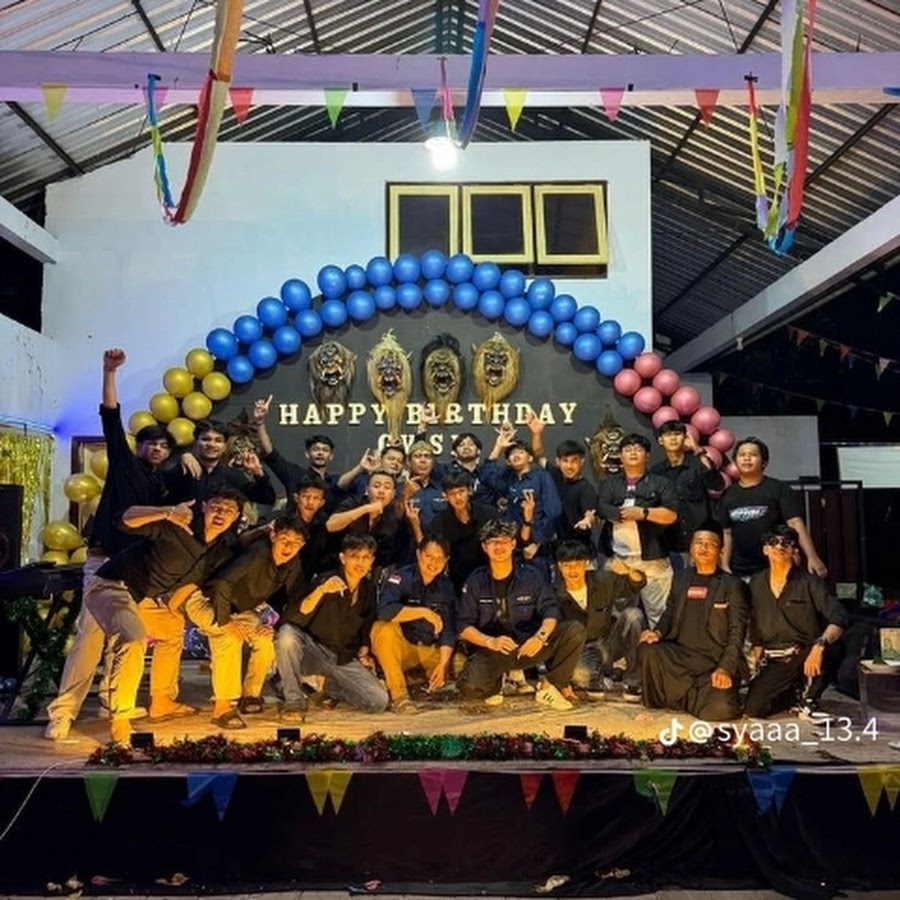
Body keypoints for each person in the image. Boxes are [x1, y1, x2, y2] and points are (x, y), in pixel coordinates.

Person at [45, 348, 173, 740]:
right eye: (151, 443)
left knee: (129, 637)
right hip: (104, 563)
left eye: (164, 446)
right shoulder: (123, 463)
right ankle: (63, 713)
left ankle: (110, 701)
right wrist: (109, 372)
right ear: (139, 446)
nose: (157, 449)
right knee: (90, 638)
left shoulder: (160, 484)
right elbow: (111, 415)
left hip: (135, 572)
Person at [83, 487, 244, 743]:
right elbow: (122, 519)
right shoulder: (177, 525)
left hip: (150, 597)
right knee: (133, 639)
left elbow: (195, 580)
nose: (221, 514)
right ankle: (120, 720)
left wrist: (173, 607)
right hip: (114, 585)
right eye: (216, 507)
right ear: (204, 507)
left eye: (229, 510)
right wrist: (167, 512)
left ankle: (162, 700)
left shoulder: (222, 547)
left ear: (236, 517)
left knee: (172, 631)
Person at [185, 515, 308, 729]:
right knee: (229, 637)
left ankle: (250, 694)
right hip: (207, 602)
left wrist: (273, 627)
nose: (289, 547)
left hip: (241, 611)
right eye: (285, 540)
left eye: (296, 543)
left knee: (265, 641)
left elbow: (294, 598)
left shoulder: (292, 563)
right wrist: (224, 621)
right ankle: (222, 707)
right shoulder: (257, 553)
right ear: (273, 536)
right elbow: (222, 583)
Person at [455, 519, 585, 710]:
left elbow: (550, 610)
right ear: (484, 547)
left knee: (574, 630)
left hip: (529, 645)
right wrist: (490, 642)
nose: (499, 547)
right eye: (493, 542)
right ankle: (498, 682)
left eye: (504, 541)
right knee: (470, 688)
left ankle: (548, 686)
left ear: (513, 544)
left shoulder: (532, 576)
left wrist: (540, 637)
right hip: (494, 651)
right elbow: (463, 626)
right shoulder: (475, 580)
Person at [638, 521, 748, 721]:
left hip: (713, 661)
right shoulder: (681, 577)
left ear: (721, 551)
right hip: (681, 657)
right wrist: (657, 632)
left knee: (721, 710)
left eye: (710, 544)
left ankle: (684, 696)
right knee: (648, 649)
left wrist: (725, 668)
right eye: (698, 543)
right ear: (690, 548)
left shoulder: (732, 585)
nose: (703, 548)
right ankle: (688, 696)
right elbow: (669, 612)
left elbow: (736, 632)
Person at [274, 534, 389, 722]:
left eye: (365, 557)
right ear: (343, 558)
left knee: (378, 701)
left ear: (372, 561)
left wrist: (364, 653)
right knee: (287, 634)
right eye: (354, 556)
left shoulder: (368, 588)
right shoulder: (326, 580)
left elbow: (366, 623)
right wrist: (321, 591)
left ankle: (329, 687)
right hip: (312, 650)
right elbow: (296, 615)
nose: (360, 563)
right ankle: (294, 701)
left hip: (341, 657)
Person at [743, 525, 848, 721]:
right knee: (753, 709)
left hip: (805, 652)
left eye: (786, 543)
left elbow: (839, 617)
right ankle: (795, 693)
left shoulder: (810, 582)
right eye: (773, 542)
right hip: (775, 658)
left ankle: (810, 699)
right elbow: (754, 620)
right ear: (765, 549)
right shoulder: (755, 583)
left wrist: (819, 646)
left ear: (795, 550)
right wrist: (757, 650)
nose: (779, 547)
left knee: (833, 647)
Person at [596, 433, 678, 628]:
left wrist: (644, 513)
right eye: (628, 449)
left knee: (660, 613)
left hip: (654, 560)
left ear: (647, 455)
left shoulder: (661, 483)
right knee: (616, 614)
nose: (633, 452)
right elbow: (602, 508)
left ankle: (659, 646)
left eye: (638, 449)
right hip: (619, 560)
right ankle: (619, 647)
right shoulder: (609, 484)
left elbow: (671, 514)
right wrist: (624, 513)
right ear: (621, 456)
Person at [370, 535, 458, 714]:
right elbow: (384, 611)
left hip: (428, 649)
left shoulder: (446, 586)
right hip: (402, 648)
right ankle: (399, 695)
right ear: (418, 554)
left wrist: (443, 664)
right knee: (382, 629)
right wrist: (424, 612)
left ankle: (419, 681)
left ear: (446, 561)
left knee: (462, 666)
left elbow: (449, 629)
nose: (433, 563)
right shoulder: (401, 577)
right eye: (428, 556)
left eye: (439, 558)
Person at [719, 436, 827, 579]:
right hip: (739, 570)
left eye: (753, 454)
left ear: (764, 462)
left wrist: (812, 557)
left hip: (775, 567)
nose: (747, 458)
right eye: (742, 455)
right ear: (735, 461)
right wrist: (725, 565)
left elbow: (795, 523)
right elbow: (727, 533)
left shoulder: (779, 488)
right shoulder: (728, 494)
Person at [554, 541, 646, 700]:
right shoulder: (554, 594)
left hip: (608, 641)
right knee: (581, 675)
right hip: (582, 650)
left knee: (633, 615)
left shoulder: (602, 580)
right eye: (567, 565)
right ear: (560, 566)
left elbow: (637, 584)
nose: (572, 570)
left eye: (577, 564)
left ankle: (633, 681)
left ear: (586, 563)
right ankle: (600, 677)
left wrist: (629, 570)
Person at [481, 432, 562, 571]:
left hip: (536, 547)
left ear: (530, 457)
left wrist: (537, 543)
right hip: (510, 545)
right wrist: (498, 447)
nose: (516, 455)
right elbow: (485, 477)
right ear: (508, 461)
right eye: (512, 454)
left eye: (520, 452)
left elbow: (554, 512)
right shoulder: (507, 479)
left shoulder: (541, 477)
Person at [650, 421, 724, 563]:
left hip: (701, 541)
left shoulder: (698, 463)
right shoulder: (656, 472)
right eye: (668, 435)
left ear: (685, 438)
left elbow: (717, 484)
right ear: (660, 440)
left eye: (677, 434)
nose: (673, 438)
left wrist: (697, 449)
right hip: (671, 542)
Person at [252, 395, 343, 510]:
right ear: (307, 454)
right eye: (315, 449)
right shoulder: (295, 474)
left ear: (331, 456)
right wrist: (260, 423)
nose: (320, 453)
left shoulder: (335, 482)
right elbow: (270, 454)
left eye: (325, 450)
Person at [527, 416, 598, 553]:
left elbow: (589, 512)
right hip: (555, 546)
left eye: (574, 461)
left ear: (582, 462)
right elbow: (538, 456)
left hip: (579, 549)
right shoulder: (555, 474)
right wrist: (536, 434)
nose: (569, 466)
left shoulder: (586, 488)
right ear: (558, 461)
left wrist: (587, 520)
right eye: (565, 461)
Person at [166, 419, 276, 506]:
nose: (212, 444)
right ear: (196, 442)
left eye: (218, 440)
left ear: (224, 446)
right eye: (206, 439)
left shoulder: (232, 475)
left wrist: (258, 473)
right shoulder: (183, 470)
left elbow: (267, 498)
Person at [431, 471, 499, 592]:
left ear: (470, 491)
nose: (458, 497)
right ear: (445, 496)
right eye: (452, 493)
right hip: (456, 580)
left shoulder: (489, 513)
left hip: (489, 575)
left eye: (461, 491)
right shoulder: (439, 521)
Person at [325, 469, 405, 571]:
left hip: (368, 569)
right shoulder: (354, 502)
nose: (381, 491)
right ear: (367, 490)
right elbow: (330, 525)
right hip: (336, 564)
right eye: (376, 486)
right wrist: (366, 508)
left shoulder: (392, 514)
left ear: (393, 494)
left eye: (387, 487)